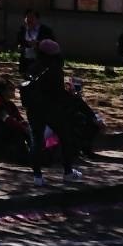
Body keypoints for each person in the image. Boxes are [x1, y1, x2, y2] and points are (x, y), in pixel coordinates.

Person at [22, 38, 79, 185]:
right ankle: (67, 172)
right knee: (66, 138)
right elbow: (58, 93)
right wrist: (71, 94)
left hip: (34, 110)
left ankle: (37, 177)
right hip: (52, 110)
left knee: (36, 141)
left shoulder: (32, 68)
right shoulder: (55, 70)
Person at [0, 77, 31, 160]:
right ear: (3, 91)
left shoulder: (10, 104)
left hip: (5, 131)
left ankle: (37, 154)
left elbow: (19, 118)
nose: (13, 91)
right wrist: (23, 128)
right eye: (10, 89)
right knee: (18, 133)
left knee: (28, 132)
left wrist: (26, 126)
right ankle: (23, 158)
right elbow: (7, 120)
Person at [17, 10, 54, 79]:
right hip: (25, 61)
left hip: (40, 61)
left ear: (37, 19)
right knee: (26, 83)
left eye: (31, 17)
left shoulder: (46, 31)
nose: (29, 20)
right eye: (27, 17)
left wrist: (38, 44)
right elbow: (19, 43)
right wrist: (20, 47)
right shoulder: (22, 30)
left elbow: (52, 45)